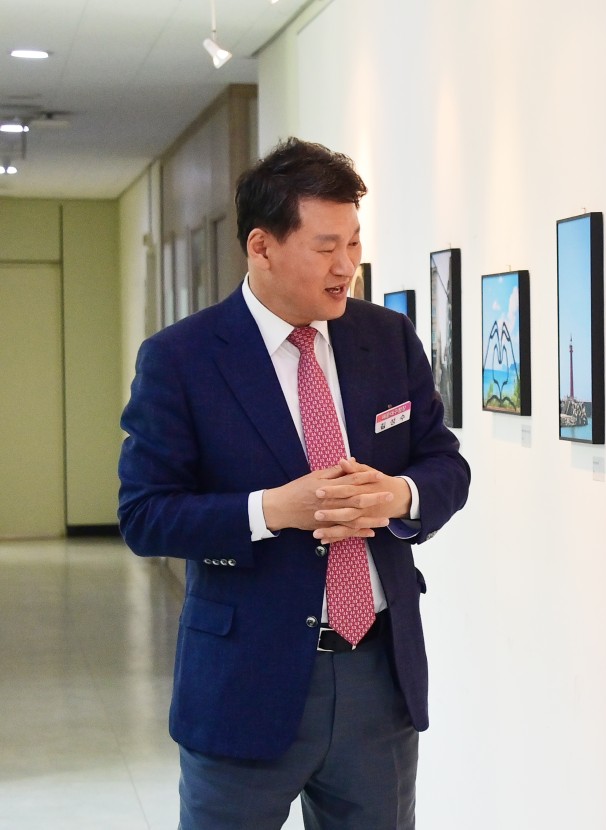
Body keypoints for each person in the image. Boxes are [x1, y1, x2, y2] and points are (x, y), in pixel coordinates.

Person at [119, 137, 470, 829]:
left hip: (378, 677)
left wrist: (399, 496)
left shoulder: (388, 338)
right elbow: (146, 515)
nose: (346, 266)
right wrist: (271, 510)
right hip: (244, 682)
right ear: (262, 247)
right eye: (325, 246)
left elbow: (444, 463)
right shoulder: (182, 359)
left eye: (354, 243)